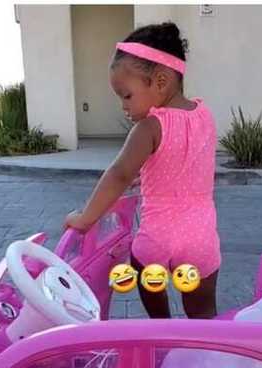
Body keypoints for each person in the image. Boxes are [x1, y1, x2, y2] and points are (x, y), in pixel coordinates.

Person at [65, 22, 220, 319]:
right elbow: (188, 162)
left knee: (142, 266)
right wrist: (152, 172)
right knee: (204, 314)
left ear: (160, 81)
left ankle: (161, 326)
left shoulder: (148, 127)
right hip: (201, 235)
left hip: (158, 236)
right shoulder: (205, 115)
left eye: (126, 95)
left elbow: (119, 174)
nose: (123, 106)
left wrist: (86, 219)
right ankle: (206, 355)